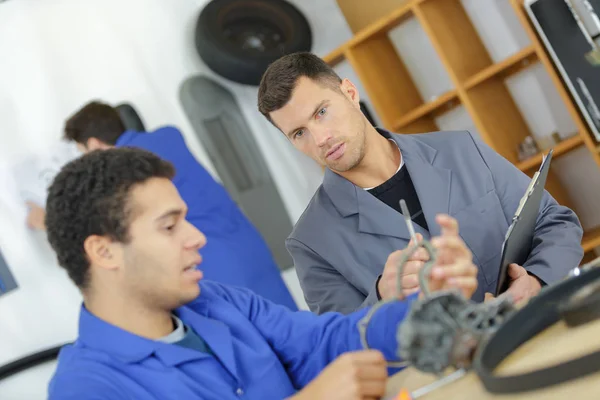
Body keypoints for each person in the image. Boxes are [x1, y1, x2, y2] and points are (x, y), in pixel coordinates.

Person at [45, 148, 478, 399]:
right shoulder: (85, 387)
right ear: (104, 251)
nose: (196, 237)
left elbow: (327, 344)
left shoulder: (219, 303)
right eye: (170, 225)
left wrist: (422, 302)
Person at [257, 52, 584, 314]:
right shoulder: (311, 244)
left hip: (540, 329)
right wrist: (382, 298)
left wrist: (537, 280)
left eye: (321, 112)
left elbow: (556, 223)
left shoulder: (460, 148)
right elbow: (342, 348)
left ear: (350, 93)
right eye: (299, 133)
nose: (320, 138)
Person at [25, 101, 297, 310]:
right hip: (247, 247)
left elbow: (96, 220)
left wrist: (45, 220)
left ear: (95, 144)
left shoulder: (125, 166)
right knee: (291, 330)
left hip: (210, 265)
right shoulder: (169, 136)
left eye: (84, 152)